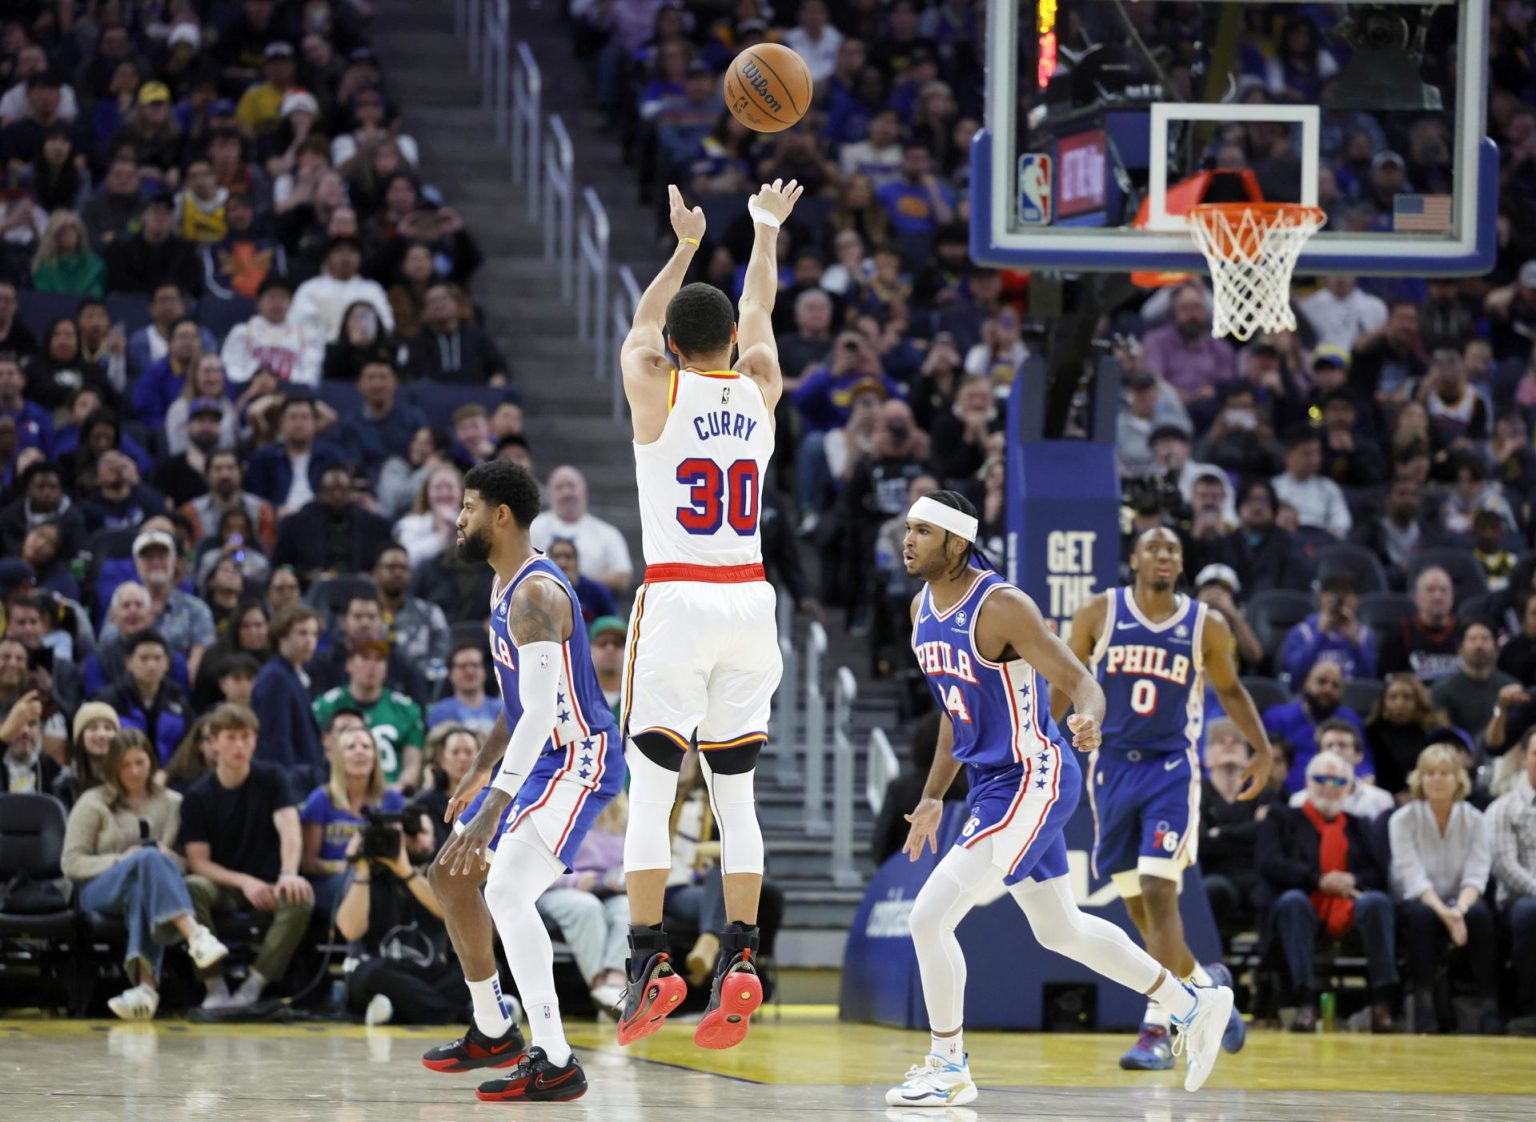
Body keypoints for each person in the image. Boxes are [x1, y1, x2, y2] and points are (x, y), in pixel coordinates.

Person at [886, 492, 1233, 1105]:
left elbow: (1081, 681)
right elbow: (952, 707)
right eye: (908, 529)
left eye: (923, 530)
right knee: (1059, 930)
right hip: (989, 784)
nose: (908, 540)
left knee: (928, 917)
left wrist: (1089, 720)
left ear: (957, 543)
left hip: (1033, 775)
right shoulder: (920, 608)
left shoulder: (1001, 605)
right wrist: (934, 795)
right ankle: (1191, 1004)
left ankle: (948, 1065)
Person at [612, 180, 796, 1053]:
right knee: (737, 797)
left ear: (677, 348)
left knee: (651, 788)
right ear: (728, 343)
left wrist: (683, 247)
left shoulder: (657, 384)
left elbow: (641, 332)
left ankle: (648, 958)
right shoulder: (759, 387)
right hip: (751, 603)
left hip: (680, 595)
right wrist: (764, 230)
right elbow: (761, 310)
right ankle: (741, 955)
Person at [429, 460, 624, 1103]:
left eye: (469, 508)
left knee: (507, 889)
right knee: (449, 875)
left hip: (577, 758)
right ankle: (492, 1027)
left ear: (501, 516)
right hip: (536, 757)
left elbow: (542, 716)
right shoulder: (502, 584)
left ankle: (556, 1057)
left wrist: (493, 810)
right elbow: (517, 703)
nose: (459, 521)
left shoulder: (536, 594)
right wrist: (480, 770)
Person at [1062, 527, 1270, 1070]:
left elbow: (1230, 690)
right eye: (1154, 547)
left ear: (1181, 564)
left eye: (1174, 549)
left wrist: (1262, 750)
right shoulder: (1098, 613)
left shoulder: (1206, 624)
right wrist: (1037, 735)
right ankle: (1204, 986)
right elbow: (1062, 677)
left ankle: (1158, 1026)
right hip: (1110, 770)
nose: (1164, 556)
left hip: (1171, 771)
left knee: (1159, 889)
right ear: (1133, 557)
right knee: (1136, 903)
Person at [61, 729, 229, 1020]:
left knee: (147, 874)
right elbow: (71, 863)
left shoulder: (174, 802)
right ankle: (196, 935)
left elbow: (185, 862)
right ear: (113, 767)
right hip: (99, 889)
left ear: (151, 761)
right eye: (126, 765)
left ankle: (146, 990)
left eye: (140, 762)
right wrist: (120, 860)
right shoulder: (93, 802)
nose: (134, 771)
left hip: (149, 888)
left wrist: (167, 857)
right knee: (147, 858)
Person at [181, 703, 315, 1011]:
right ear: (212, 742)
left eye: (246, 736)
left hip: (271, 883)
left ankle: (254, 984)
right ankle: (213, 985)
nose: (240, 745)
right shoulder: (197, 796)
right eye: (231, 737)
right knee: (190, 887)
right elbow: (198, 861)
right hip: (225, 887)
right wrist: (244, 882)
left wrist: (288, 872)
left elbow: (289, 827)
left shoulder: (273, 777)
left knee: (300, 897)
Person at [1257, 751, 1399, 1032]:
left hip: (1348, 904)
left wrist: (1351, 879)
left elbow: (1378, 872)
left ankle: (1383, 1002)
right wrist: (1317, 880)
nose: (1329, 785)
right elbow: (1268, 862)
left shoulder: (1359, 825)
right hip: (1302, 903)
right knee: (1293, 902)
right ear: (1308, 783)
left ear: (1348, 787)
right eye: (1321, 778)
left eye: (1337, 779)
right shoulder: (1282, 817)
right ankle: (1305, 1002)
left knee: (1377, 902)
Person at [1388, 744, 1501, 1033]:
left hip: (1461, 899)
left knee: (1481, 916)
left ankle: (1488, 1001)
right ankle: (1424, 998)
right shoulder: (1402, 820)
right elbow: (1413, 878)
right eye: (1429, 773)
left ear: (1458, 780)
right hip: (1419, 899)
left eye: (1444, 773)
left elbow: (1477, 874)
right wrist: (1446, 914)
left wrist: (1459, 910)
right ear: (1419, 780)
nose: (1436, 780)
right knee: (1421, 917)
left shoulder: (1475, 819)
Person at [535, 794, 631, 1013]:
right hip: (557, 887)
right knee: (587, 908)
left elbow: (629, 861)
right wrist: (575, 880)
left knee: (629, 908)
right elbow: (536, 865)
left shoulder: (624, 815)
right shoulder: (555, 809)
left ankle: (616, 982)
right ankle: (599, 985)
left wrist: (621, 878)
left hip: (606, 889)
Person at [300, 725, 405, 912]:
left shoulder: (392, 799)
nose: (360, 752)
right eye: (351, 747)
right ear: (339, 759)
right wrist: (347, 867)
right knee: (357, 884)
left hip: (381, 877)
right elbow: (308, 862)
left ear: (375, 758)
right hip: (333, 882)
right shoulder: (321, 799)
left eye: (366, 747)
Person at [1200, 720, 1279, 947]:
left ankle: (1271, 973)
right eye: (1219, 741)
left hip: (1256, 875)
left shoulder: (1265, 792)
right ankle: (1211, 964)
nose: (1228, 744)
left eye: (1236, 741)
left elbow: (1267, 836)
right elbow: (1200, 844)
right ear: (1207, 757)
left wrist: (1220, 832)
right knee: (1214, 890)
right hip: (1214, 875)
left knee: (1274, 893)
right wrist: (1249, 830)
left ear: (1248, 757)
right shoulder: (1195, 793)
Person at [311, 639, 425, 791]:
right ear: (349, 665)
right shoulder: (325, 706)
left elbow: (413, 764)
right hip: (339, 791)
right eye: (365, 658)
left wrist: (396, 790)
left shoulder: (406, 709)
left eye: (379, 660)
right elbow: (316, 758)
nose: (372, 666)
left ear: (386, 668)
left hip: (392, 792)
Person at [1486, 731, 1536, 1033]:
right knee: (1531, 913)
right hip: (1519, 901)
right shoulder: (1503, 808)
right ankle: (1530, 1006)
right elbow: (1505, 867)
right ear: (1524, 757)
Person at [527, 466, 633, 597]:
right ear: (549, 494)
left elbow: (623, 577)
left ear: (584, 491)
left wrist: (579, 581)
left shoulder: (608, 533)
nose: (566, 493)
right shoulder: (532, 528)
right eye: (559, 487)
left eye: (571, 486)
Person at [250, 604, 325, 785]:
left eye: (314, 634)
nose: (310, 641)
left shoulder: (291, 674)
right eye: (302, 633)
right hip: (290, 783)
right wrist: (286, 788)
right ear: (282, 637)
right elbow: (276, 742)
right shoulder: (276, 677)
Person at [1263, 660, 1365, 793]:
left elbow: (1364, 759)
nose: (1328, 689)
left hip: (1338, 793)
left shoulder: (1351, 719)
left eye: (1335, 685)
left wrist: (1367, 777)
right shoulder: (1277, 716)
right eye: (1321, 681)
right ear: (1306, 682)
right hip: (1286, 795)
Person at [95, 632, 189, 767]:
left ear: (167, 663)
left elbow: (187, 746)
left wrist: (167, 775)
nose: (151, 665)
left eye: (157, 658)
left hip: (170, 778)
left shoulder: (178, 699)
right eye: (144, 658)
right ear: (129, 662)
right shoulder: (108, 700)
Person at [1278, 575, 1376, 686]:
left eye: (1346, 592)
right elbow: (1295, 676)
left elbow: (1369, 679)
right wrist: (1319, 635)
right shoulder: (1302, 632)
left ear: (1356, 600)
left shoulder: (1364, 635)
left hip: (1352, 698)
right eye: (1334, 592)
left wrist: (1355, 643)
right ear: (1321, 597)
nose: (1341, 599)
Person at [1289, 719, 1392, 818]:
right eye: (1329, 745)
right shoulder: (1299, 801)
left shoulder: (1381, 800)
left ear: (1358, 755)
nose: (1335, 750)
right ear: (1318, 755)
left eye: (1342, 745)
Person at [1431, 620, 1516, 735]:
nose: (1479, 645)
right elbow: (1445, 733)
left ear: (1497, 650)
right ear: (1459, 650)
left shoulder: (1511, 687)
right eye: (1472, 639)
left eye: (1485, 639)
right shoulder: (1443, 689)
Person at [1367, 673, 1444, 797]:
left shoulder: (1432, 733)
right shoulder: (1371, 732)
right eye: (1393, 698)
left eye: (1407, 697)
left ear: (1418, 702)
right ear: (1384, 703)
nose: (1400, 703)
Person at [1380, 566, 1460, 684]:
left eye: (1443, 590)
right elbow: (1388, 680)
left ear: (1452, 597)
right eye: (1430, 590)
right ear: (1416, 597)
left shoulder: (1466, 633)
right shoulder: (1400, 633)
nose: (1437, 596)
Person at [427, 641, 501, 735]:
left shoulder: (502, 710)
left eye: (475, 665)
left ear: (484, 670)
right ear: (450, 673)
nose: (470, 671)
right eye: (462, 666)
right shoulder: (440, 712)